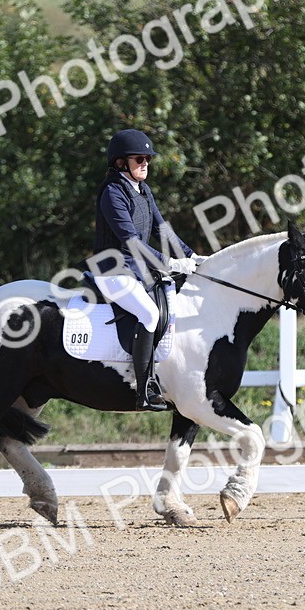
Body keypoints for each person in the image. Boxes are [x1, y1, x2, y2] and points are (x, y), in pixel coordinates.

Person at [88, 129, 203, 411]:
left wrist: (192, 256)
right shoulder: (113, 193)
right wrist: (170, 264)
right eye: (139, 159)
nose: (145, 164)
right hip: (112, 271)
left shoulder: (143, 190)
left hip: (136, 270)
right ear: (120, 163)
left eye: (147, 159)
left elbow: (160, 229)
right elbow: (131, 241)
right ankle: (144, 390)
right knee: (149, 314)